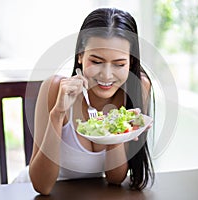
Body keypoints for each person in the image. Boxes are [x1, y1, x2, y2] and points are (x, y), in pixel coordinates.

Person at [28, 7, 155, 195]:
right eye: (96, 61)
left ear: (131, 61)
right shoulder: (54, 88)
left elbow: (115, 178)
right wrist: (58, 114)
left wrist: (118, 130)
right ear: (80, 55)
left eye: (119, 64)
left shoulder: (138, 88)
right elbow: (42, 186)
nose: (107, 75)